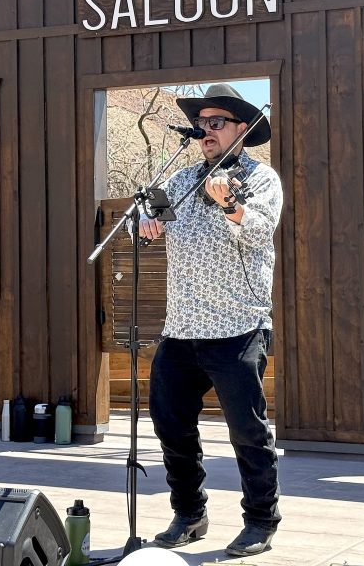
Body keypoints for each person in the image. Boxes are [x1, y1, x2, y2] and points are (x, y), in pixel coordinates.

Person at [138, 84, 282, 557]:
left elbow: (260, 230)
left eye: (217, 122)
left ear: (242, 130)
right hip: (181, 328)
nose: (206, 131)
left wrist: (228, 204)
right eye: (202, 123)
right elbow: (151, 209)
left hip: (237, 327)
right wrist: (146, 219)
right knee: (170, 423)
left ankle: (261, 519)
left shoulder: (261, 180)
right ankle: (189, 513)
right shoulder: (180, 181)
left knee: (247, 429)